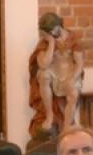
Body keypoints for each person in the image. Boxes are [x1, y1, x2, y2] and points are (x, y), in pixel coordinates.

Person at [27, 10, 86, 139]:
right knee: (43, 75)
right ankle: (49, 115)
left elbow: (79, 64)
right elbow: (43, 64)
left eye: (53, 30)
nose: (52, 33)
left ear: (59, 25)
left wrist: (72, 79)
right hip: (54, 74)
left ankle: (66, 127)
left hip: (69, 73)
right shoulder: (45, 42)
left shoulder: (72, 39)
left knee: (74, 93)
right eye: (48, 32)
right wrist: (52, 43)